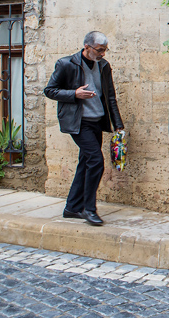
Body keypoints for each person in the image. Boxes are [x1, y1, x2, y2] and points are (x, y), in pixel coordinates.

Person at [44, 31, 124, 226]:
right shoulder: (66, 64)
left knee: (85, 162)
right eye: (99, 50)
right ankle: (89, 209)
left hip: (97, 121)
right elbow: (50, 90)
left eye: (105, 50)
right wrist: (74, 94)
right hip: (79, 123)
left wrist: (118, 125)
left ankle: (72, 207)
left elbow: (110, 96)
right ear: (86, 47)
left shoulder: (104, 66)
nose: (103, 54)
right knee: (96, 161)